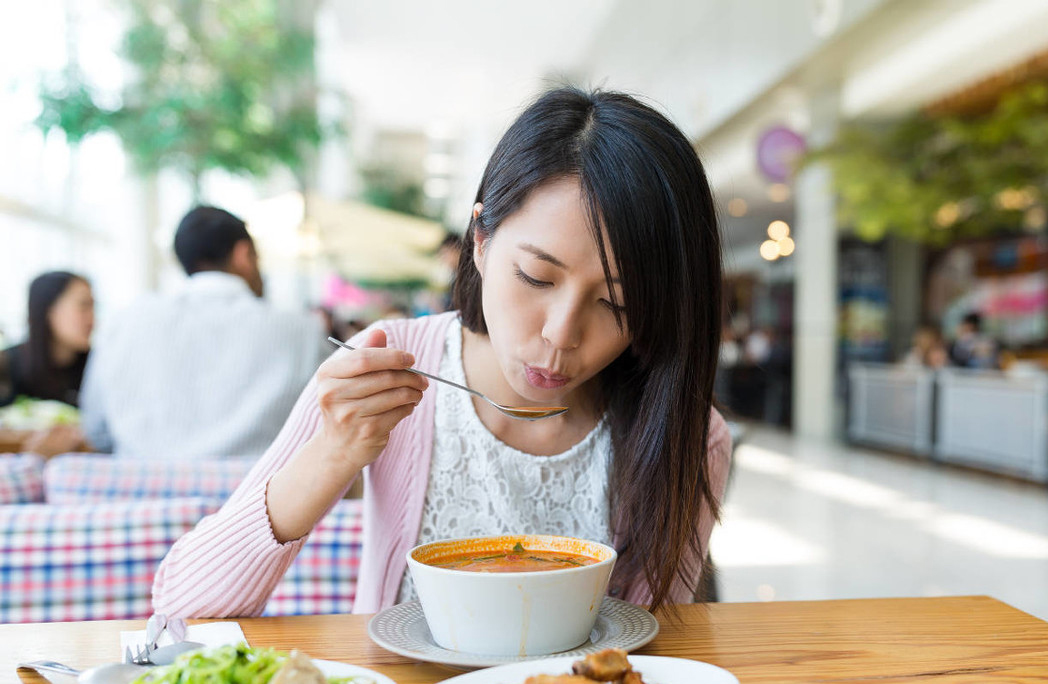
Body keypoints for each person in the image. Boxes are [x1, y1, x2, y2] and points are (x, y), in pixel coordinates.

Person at [153, 86, 732, 618]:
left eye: (617, 306)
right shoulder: (392, 360)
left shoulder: (687, 433)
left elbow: (652, 654)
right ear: (480, 240)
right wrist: (333, 451)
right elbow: (184, 606)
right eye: (535, 276)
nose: (561, 333)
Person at [80, 206, 330, 458]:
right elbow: (331, 422)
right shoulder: (301, 331)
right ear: (243, 254)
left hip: (138, 492)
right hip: (267, 493)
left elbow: (96, 429)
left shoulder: (123, 322)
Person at [0, 271, 94, 456]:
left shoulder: (97, 366)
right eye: (84, 307)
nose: (92, 319)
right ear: (49, 310)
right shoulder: (7, 364)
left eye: (93, 307)